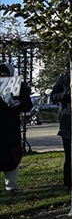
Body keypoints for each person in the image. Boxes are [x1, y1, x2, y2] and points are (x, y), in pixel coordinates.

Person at [1, 63, 32, 193]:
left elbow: (27, 105)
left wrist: (15, 104)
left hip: (10, 128)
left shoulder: (19, 87)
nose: (3, 76)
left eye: (5, 74)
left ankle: (11, 186)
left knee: (12, 156)